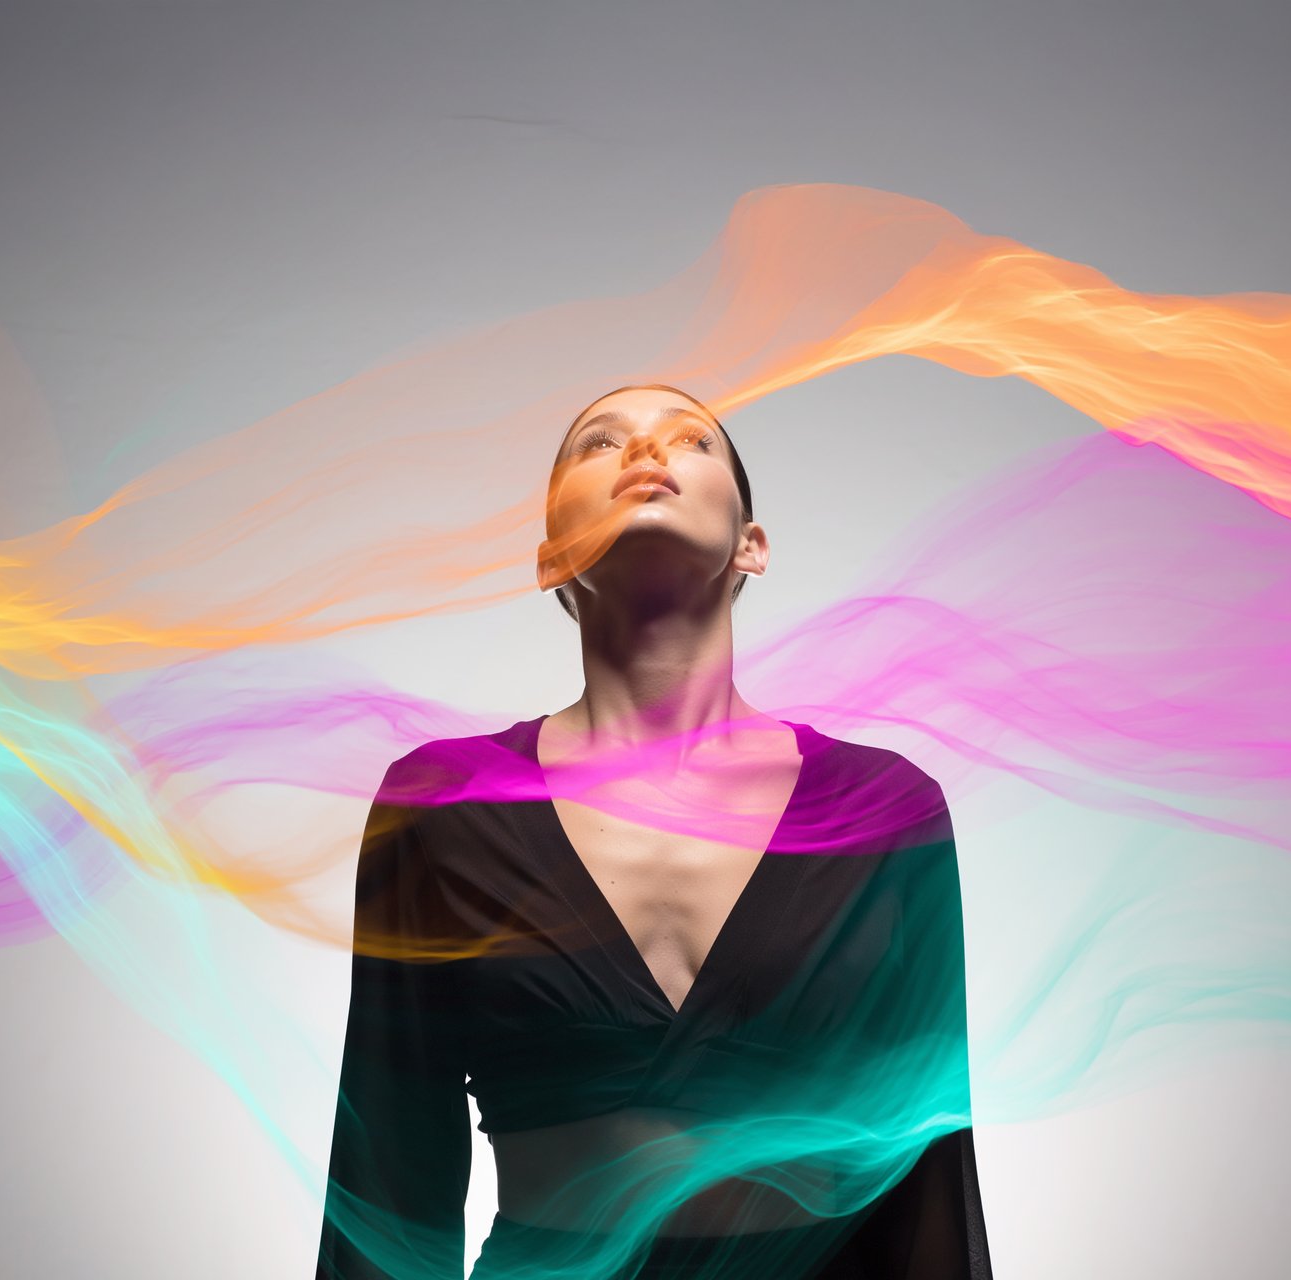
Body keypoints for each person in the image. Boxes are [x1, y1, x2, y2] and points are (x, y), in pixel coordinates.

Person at [317, 384, 991, 1278]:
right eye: (599, 443)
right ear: (553, 556)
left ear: (752, 545)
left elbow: (930, 1176)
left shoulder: (887, 811)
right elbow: (387, 1174)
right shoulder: (444, 806)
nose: (644, 453)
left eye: (689, 441)